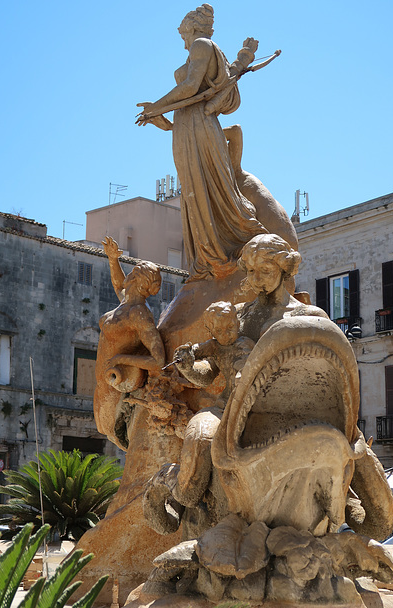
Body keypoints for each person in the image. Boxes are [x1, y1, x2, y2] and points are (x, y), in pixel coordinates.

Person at [136, 4, 267, 281]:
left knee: (203, 188)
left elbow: (191, 86)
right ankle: (205, 258)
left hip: (198, 123)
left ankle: (219, 253)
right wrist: (161, 118)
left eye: (183, 36)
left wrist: (156, 106)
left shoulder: (201, 44)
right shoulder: (204, 47)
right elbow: (191, 94)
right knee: (194, 191)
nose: (184, 44)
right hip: (187, 125)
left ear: (191, 28)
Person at [143, 301, 254, 533]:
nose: (227, 335)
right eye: (220, 332)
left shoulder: (245, 345)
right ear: (212, 333)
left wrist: (243, 376)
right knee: (201, 436)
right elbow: (205, 377)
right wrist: (188, 366)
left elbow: (245, 365)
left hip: (249, 409)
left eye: (231, 328)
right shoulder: (215, 346)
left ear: (238, 323)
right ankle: (176, 483)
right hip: (223, 409)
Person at [94, 237, 165, 449]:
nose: (129, 274)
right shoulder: (126, 304)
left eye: (132, 272)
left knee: (118, 438)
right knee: (106, 433)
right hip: (103, 384)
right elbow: (118, 284)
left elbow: (159, 360)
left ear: (137, 279)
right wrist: (113, 259)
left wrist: (121, 359)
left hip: (116, 385)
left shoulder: (139, 314)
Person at [237, 233, 328, 342]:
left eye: (265, 270)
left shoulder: (311, 316)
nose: (256, 279)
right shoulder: (237, 315)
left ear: (284, 268)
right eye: (251, 270)